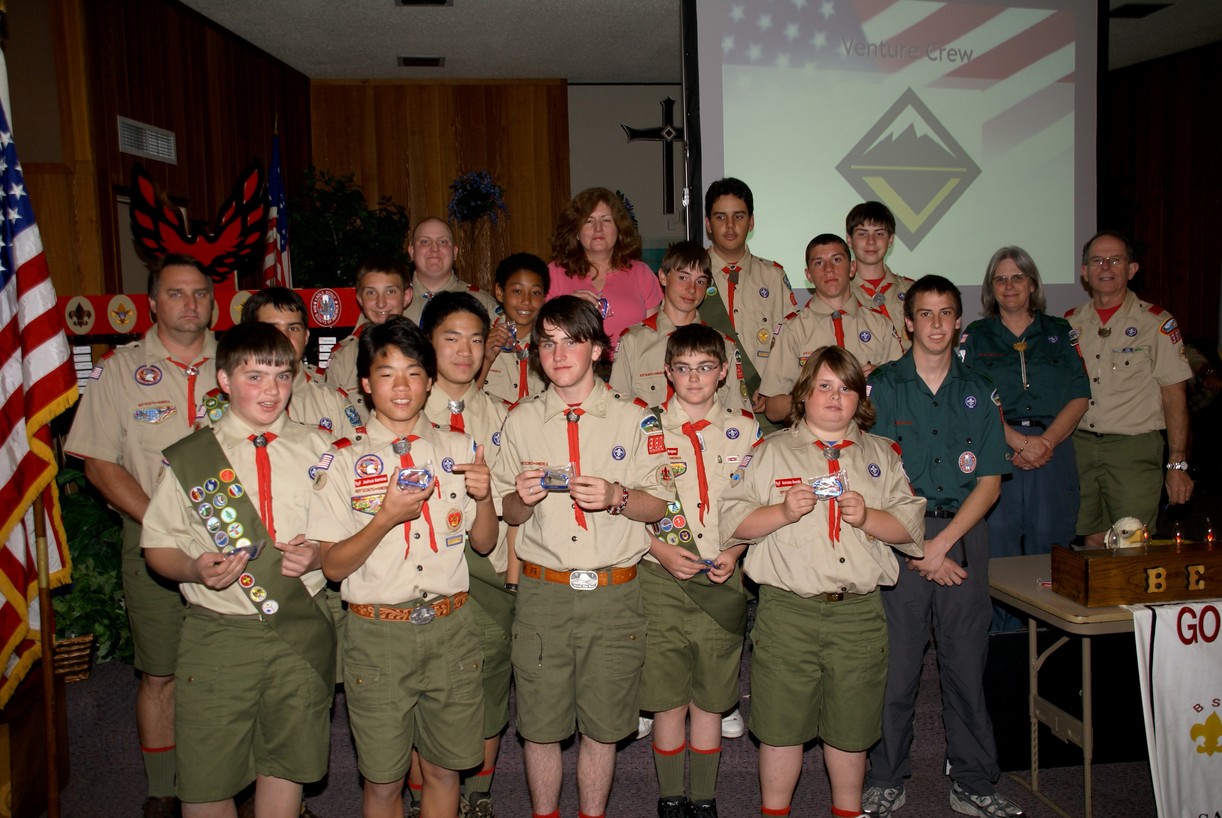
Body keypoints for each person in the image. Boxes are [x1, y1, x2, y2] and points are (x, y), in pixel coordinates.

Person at [141, 323, 337, 818]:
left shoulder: (321, 449)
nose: (271, 390)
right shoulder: (193, 456)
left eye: (282, 376)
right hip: (220, 632)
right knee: (205, 781)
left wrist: (318, 555)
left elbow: (344, 535)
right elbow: (158, 547)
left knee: (287, 764)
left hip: (300, 626)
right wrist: (193, 567)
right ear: (225, 380)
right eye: (255, 376)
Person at [723, 346, 925, 818]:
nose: (836, 397)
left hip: (858, 616)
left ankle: (848, 810)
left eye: (846, 388)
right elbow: (733, 525)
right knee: (780, 730)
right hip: (787, 614)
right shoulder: (771, 452)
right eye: (824, 387)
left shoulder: (882, 455)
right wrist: (782, 511)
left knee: (851, 733)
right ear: (804, 394)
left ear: (860, 398)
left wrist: (869, 516)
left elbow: (911, 531)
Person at [309, 317, 498, 818]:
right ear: (365, 383)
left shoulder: (459, 449)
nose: (401, 386)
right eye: (387, 373)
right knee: (384, 780)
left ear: (430, 381)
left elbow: (484, 543)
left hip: (451, 628)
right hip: (379, 635)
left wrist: (483, 497)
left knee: (445, 771)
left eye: (414, 373)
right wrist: (385, 517)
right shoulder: (343, 460)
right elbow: (332, 567)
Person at [491, 296, 670, 818]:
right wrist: (521, 499)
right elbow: (507, 512)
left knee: (602, 728)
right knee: (540, 728)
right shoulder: (521, 420)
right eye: (548, 343)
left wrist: (617, 496)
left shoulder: (636, 419)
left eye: (572, 341)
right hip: (544, 593)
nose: (559, 353)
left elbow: (660, 503)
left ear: (597, 350)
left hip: (613, 594)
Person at [63, 253, 218, 818]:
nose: (190, 304)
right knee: (160, 671)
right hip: (152, 541)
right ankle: (163, 789)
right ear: (152, 303)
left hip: (232, 542)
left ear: (213, 302)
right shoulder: (119, 371)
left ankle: (232, 779)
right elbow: (99, 464)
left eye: (200, 293)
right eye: (176, 293)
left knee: (235, 668)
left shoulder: (241, 362)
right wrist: (162, 523)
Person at [862, 275, 1021, 818]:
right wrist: (916, 547)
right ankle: (885, 777)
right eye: (925, 313)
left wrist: (940, 546)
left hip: (962, 537)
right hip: (896, 538)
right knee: (896, 667)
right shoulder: (882, 387)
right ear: (908, 322)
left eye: (946, 313)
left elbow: (990, 482)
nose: (935, 323)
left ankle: (973, 781)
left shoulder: (979, 390)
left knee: (966, 665)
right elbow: (866, 476)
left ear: (959, 323)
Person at [639, 324, 760, 818]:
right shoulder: (644, 428)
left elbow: (755, 504)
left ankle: (705, 797)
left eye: (705, 367)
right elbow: (625, 506)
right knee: (668, 698)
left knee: (711, 698)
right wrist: (658, 550)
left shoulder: (746, 430)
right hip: (660, 577)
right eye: (684, 368)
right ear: (668, 372)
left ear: (723, 371)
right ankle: (670, 796)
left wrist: (737, 551)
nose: (694, 378)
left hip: (720, 576)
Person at [959, 248, 1090, 631]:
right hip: (998, 448)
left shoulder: (1059, 332)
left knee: (1051, 544)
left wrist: (1044, 442)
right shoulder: (976, 336)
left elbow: (1079, 394)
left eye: (1017, 277)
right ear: (990, 288)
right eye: (1000, 279)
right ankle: (1005, 640)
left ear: (1032, 284)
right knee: (998, 547)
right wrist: (1018, 441)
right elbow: (969, 399)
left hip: (1053, 450)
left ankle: (1050, 635)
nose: (1009, 285)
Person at [421, 292, 515, 818]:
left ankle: (478, 795)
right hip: (424, 571)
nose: (465, 351)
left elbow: (514, 507)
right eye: (451, 338)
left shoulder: (502, 415)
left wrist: (514, 577)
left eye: (476, 340)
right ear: (428, 343)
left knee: (486, 683)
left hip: (488, 567)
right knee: (427, 686)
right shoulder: (405, 411)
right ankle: (424, 798)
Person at [1065, 230, 1194, 547]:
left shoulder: (1156, 323)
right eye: (1097, 260)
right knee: (1091, 540)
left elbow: (1174, 398)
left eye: (1115, 260)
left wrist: (1177, 464)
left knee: (1131, 542)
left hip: (1133, 450)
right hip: (1079, 447)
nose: (1105, 267)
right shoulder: (1069, 323)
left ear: (1132, 269)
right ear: (1084, 271)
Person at [759, 233, 901, 423]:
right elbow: (772, 408)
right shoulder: (792, 329)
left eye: (836, 260)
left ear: (852, 268)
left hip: (868, 435)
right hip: (812, 438)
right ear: (808, 275)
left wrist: (881, 380)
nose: (828, 269)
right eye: (818, 263)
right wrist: (813, 399)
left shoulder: (881, 325)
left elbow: (905, 394)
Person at [699, 178, 798, 434]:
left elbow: (791, 341)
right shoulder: (691, 276)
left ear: (751, 222)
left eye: (739, 216)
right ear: (708, 224)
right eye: (720, 217)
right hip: (706, 409)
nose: (730, 226)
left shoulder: (773, 276)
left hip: (763, 411)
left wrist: (773, 389)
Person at [611, 240, 751, 413]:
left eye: (700, 281)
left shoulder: (723, 345)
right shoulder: (633, 342)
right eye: (683, 277)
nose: (691, 289)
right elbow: (618, 411)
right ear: (663, 277)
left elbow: (738, 415)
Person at [545, 187, 662, 352]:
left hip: (632, 366)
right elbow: (539, 331)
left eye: (606, 220)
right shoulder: (553, 273)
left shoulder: (641, 273)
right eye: (589, 221)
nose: (598, 228)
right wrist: (566, 307)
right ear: (576, 232)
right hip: (570, 364)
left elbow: (654, 337)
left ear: (619, 229)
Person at [240, 286, 363, 435]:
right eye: (272, 329)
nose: (284, 337)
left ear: (306, 337)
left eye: (293, 328)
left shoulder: (332, 403)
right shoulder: (231, 404)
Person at [324, 255, 413, 403]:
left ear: (407, 296)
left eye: (390, 292)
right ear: (360, 299)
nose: (380, 303)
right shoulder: (343, 358)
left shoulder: (425, 350)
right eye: (371, 293)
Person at [481, 252, 550, 403]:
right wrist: (485, 359)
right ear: (500, 292)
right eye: (517, 291)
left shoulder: (553, 343)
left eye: (535, 293)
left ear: (544, 297)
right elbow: (467, 399)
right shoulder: (480, 339)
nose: (526, 301)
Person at [404, 217, 500, 325]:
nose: (435, 248)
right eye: (425, 242)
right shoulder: (394, 302)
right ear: (412, 252)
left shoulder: (482, 303)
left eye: (443, 242)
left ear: (454, 252)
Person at [846, 202, 913, 352]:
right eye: (862, 234)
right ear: (849, 239)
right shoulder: (839, 293)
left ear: (891, 239)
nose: (871, 241)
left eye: (880, 234)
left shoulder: (912, 291)